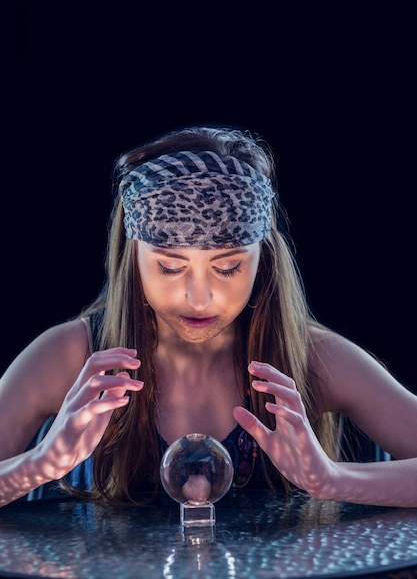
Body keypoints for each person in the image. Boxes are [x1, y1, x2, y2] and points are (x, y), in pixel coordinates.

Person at [1, 126, 417, 509]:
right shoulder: (70, 356)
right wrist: (36, 465)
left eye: (228, 267)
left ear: (263, 259)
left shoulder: (312, 358)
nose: (199, 298)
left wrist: (332, 479)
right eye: (169, 266)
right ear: (134, 258)